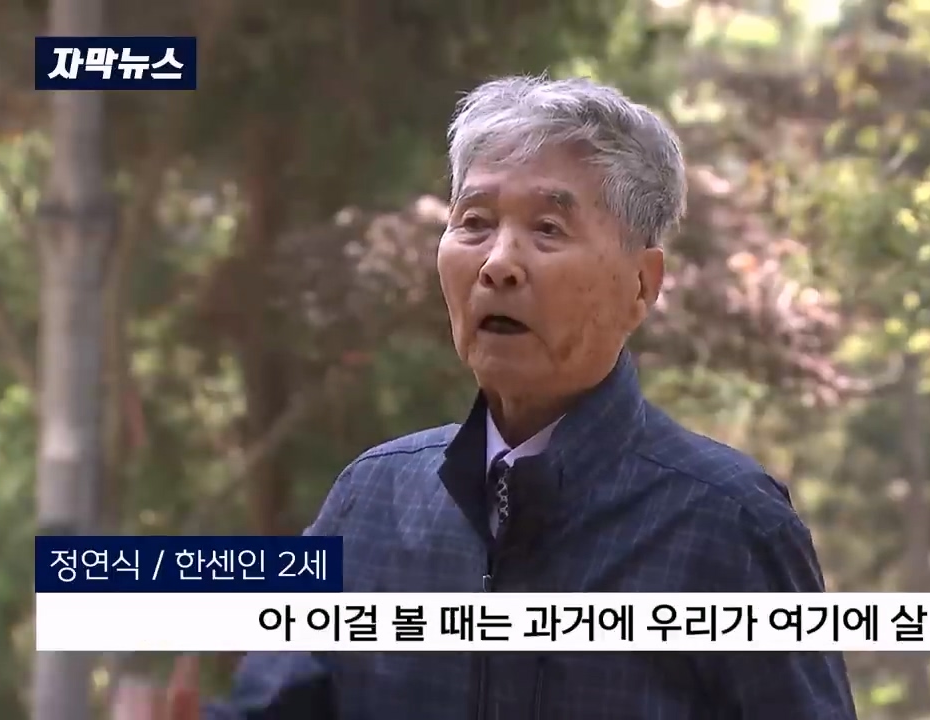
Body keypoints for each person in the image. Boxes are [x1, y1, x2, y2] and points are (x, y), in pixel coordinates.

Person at [164, 75, 858, 720]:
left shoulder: (728, 524)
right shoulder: (372, 500)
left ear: (642, 285)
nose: (498, 264)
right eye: (474, 223)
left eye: (548, 230)